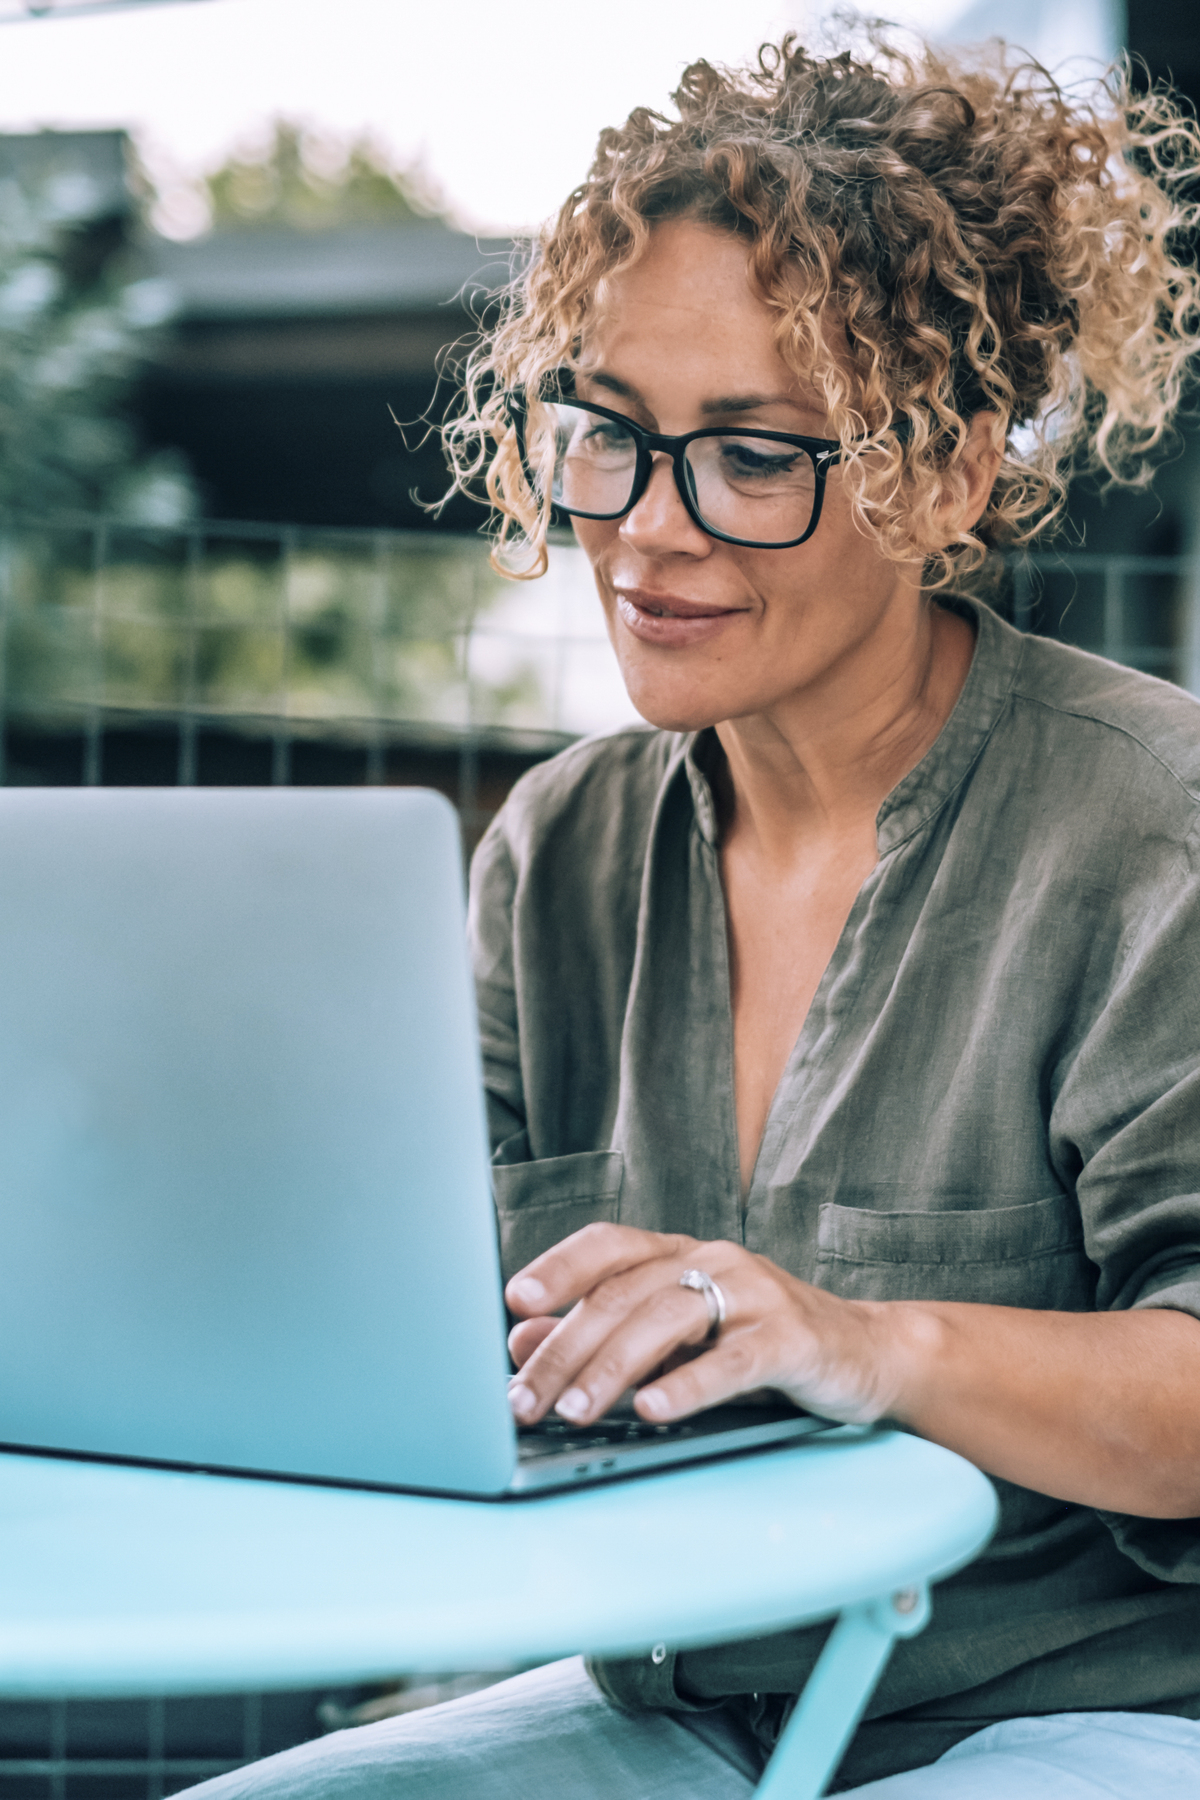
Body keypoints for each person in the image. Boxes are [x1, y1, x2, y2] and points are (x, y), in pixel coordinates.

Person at [183, 31, 1200, 1799]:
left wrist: (861, 1339)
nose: (646, 534)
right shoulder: (559, 850)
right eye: (610, 436)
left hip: (1080, 1714)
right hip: (682, 1709)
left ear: (945, 474)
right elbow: (445, 1326)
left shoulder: (1149, 828)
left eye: (752, 455)